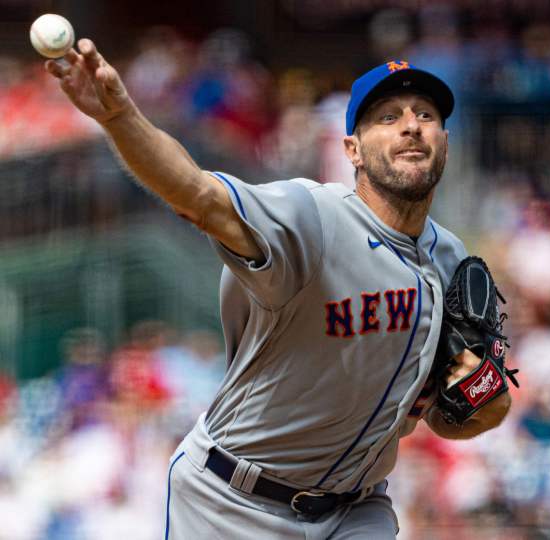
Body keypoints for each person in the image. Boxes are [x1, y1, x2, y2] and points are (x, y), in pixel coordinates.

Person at [46, 40, 512, 539]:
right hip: (234, 501)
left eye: (426, 114)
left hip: (357, 510)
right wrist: (120, 118)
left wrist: (479, 386)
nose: (411, 125)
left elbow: (465, 416)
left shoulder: (452, 261)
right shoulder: (311, 217)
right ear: (351, 148)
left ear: (444, 141)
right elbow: (198, 195)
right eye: (387, 116)